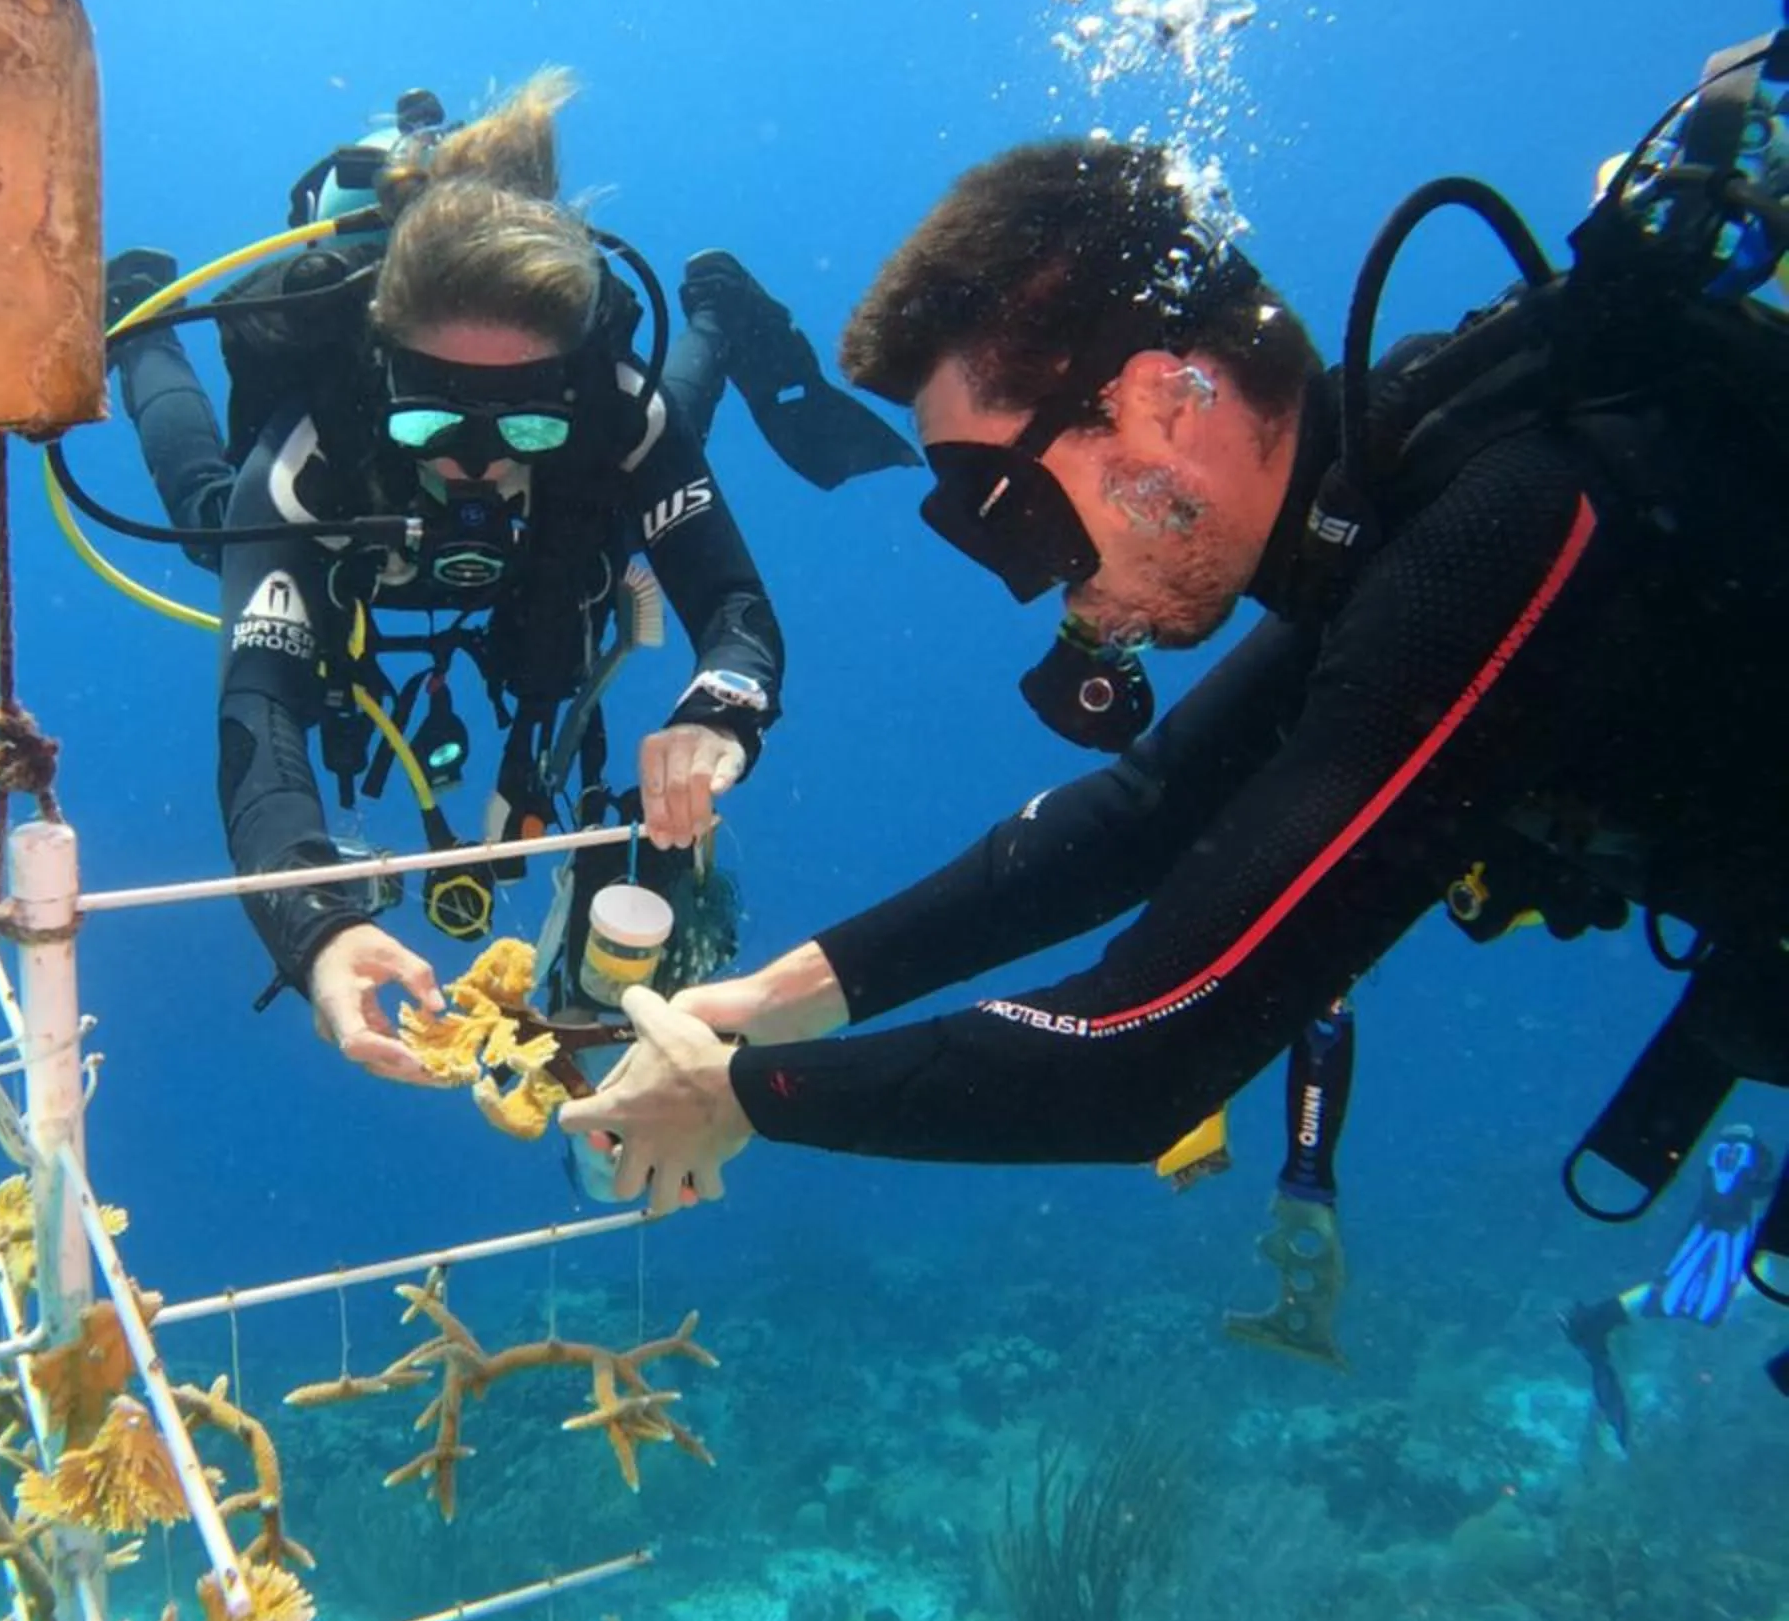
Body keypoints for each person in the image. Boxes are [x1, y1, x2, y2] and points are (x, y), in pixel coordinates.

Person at [558, 113, 1789, 1293]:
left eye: (1006, 514)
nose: (1036, 583)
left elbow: (1147, 1053)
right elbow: (1138, 818)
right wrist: (755, 1008)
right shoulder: (1385, 502)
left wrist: (742, 1097)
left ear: (1157, 402)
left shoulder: (1507, 523)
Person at [103, 70, 912, 1080]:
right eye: (432, 422)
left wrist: (719, 712)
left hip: (565, 530)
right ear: (383, 375)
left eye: (525, 423)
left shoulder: (611, 414)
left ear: (569, 386)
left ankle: (714, 310)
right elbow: (257, 712)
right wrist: (315, 928)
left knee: (662, 444)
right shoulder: (318, 454)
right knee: (212, 523)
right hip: (367, 529)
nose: (476, 463)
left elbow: (733, 607)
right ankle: (135, 316)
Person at [1562, 1123, 1777, 1448]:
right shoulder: (1748, 1190)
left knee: (1694, 1297)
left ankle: (1595, 1327)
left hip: (1717, 1261)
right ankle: (1596, 1328)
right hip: (1731, 1267)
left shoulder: (1724, 1188)